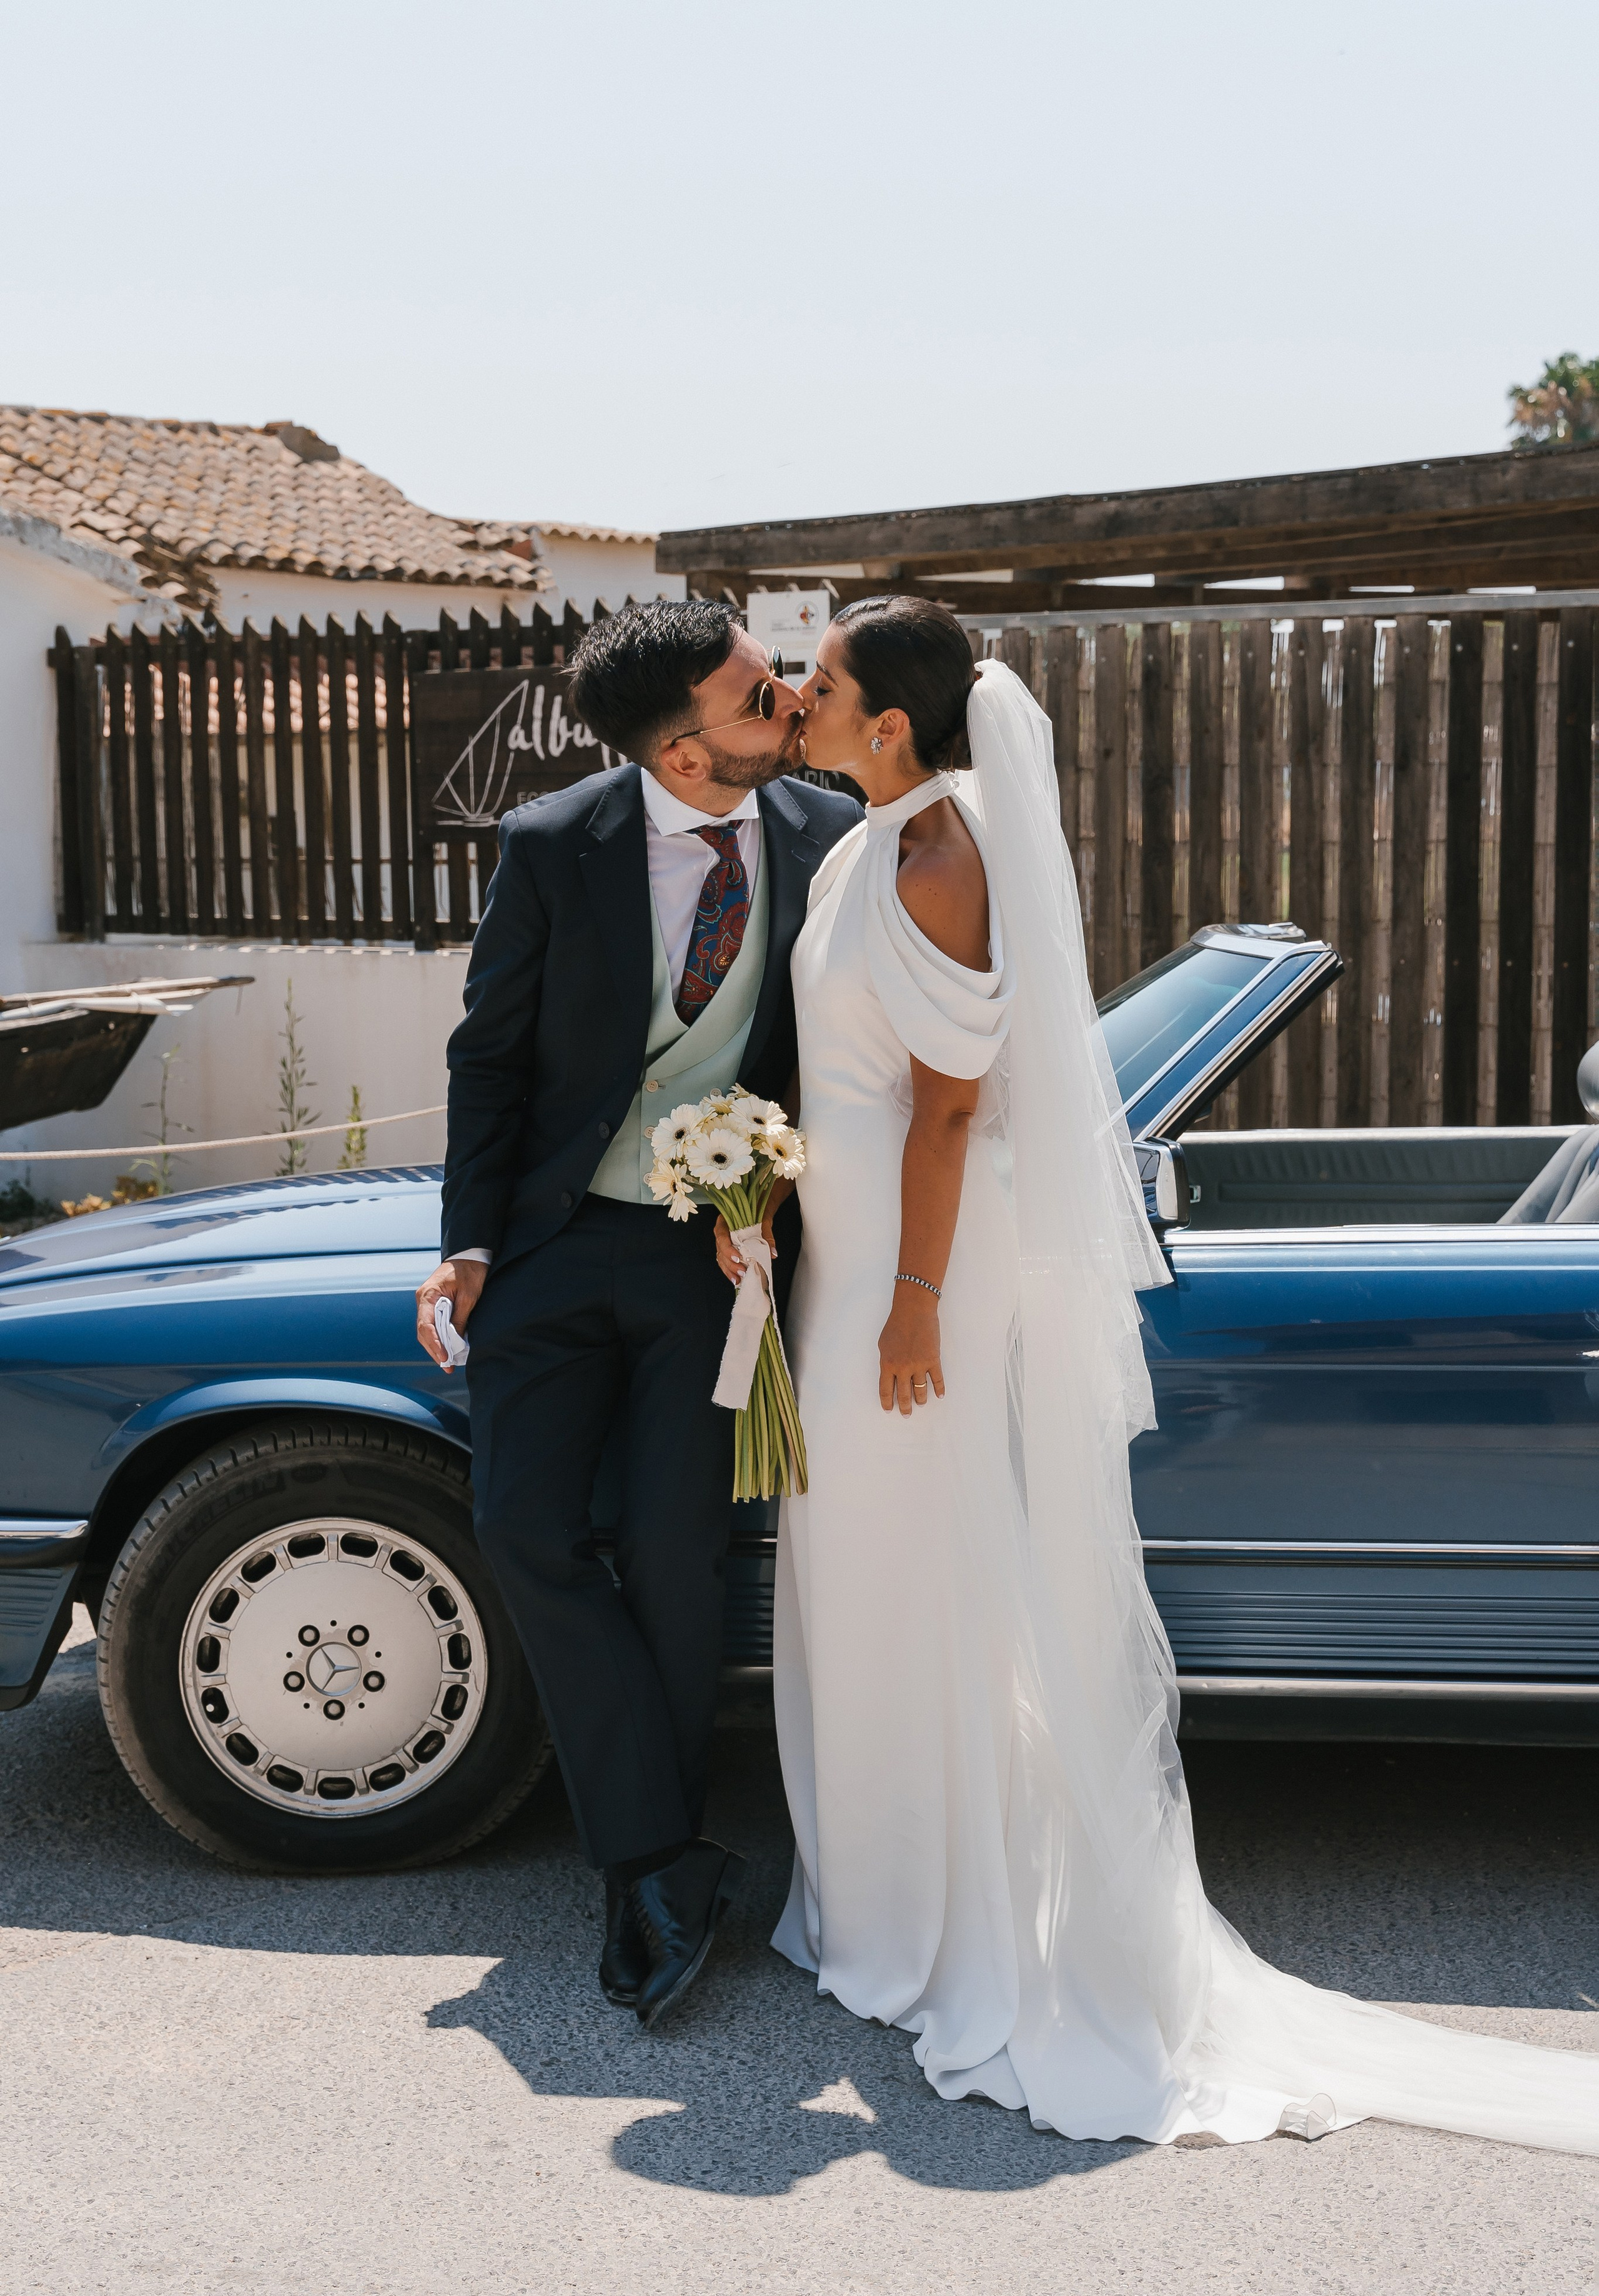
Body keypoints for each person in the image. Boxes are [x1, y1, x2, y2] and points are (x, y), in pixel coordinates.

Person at [770, 592, 1599, 2153]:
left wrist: (912, 1305)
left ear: (888, 723)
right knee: (854, 1568)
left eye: (816, 685)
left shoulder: (945, 859)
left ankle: (943, 1909)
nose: (795, 702)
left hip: (914, 1265)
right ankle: (876, 1894)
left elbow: (952, 1109)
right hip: (846, 1253)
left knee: (926, 1567)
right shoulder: (853, 846)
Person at [415, 600, 859, 2029]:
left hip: (710, 1259)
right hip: (550, 1246)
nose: (785, 700)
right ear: (682, 746)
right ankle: (659, 1845)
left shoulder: (822, 835)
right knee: (526, 1531)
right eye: (753, 692)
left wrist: (786, 1208)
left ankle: (644, 1875)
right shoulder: (554, 845)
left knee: (676, 1554)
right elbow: (488, 1053)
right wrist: (468, 1242)